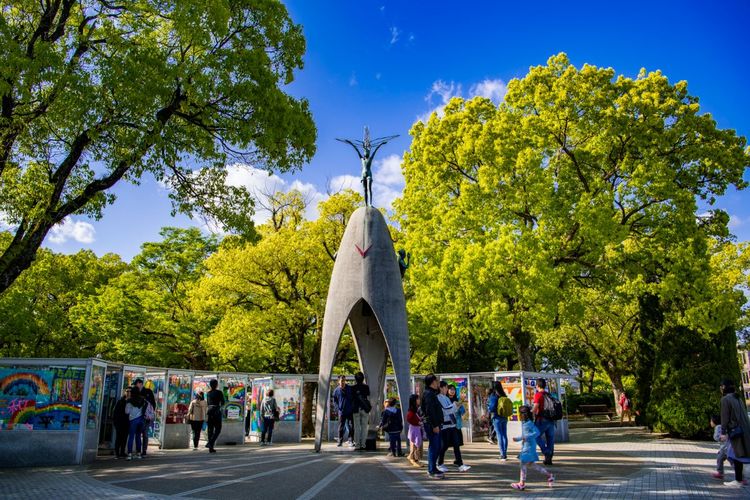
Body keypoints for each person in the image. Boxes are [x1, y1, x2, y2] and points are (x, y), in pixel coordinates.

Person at [510, 405, 555, 491]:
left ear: (523, 414)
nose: (519, 415)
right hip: (527, 446)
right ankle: (549, 475)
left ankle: (521, 484)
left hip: (529, 447)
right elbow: (524, 435)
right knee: (531, 464)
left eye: (520, 413)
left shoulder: (529, 423)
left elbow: (537, 432)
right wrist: (518, 439)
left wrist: (524, 437)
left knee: (523, 464)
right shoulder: (525, 423)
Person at [719, 378, 750, 487]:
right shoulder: (738, 398)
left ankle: (739, 480)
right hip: (744, 430)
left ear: (724, 387)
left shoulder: (725, 399)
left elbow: (725, 417)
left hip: (735, 432)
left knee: (735, 454)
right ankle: (741, 479)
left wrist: (722, 432)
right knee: (737, 454)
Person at [437, 380, 471, 473]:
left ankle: (460, 464)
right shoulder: (438, 398)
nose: (447, 390)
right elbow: (447, 410)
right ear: (441, 388)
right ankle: (439, 463)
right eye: (446, 388)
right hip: (444, 425)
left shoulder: (446, 398)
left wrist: (460, 402)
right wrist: (459, 402)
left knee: (456, 444)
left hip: (452, 424)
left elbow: (453, 409)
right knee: (444, 445)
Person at [421, 374, 444, 479]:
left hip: (434, 424)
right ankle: (431, 469)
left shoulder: (431, 393)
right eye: (436, 381)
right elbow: (430, 411)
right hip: (432, 424)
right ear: (432, 382)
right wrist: (435, 425)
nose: (438, 383)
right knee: (434, 446)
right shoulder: (428, 394)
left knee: (437, 446)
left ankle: (433, 467)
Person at [532, 378, 555, 465]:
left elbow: (535, 408)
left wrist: (530, 411)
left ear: (537, 386)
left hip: (541, 420)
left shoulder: (538, 395)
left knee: (535, 435)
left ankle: (546, 451)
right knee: (550, 439)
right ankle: (548, 459)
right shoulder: (549, 395)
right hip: (551, 420)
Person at [133, 378, 156, 457]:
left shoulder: (148, 391)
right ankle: (138, 450)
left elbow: (153, 403)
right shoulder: (135, 392)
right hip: (138, 416)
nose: (136, 386)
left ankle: (144, 450)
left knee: (145, 434)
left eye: (136, 384)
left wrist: (151, 413)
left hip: (146, 417)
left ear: (140, 383)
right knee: (138, 434)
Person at [489, 381, 511, 460]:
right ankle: (505, 453)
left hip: (496, 417)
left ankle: (502, 454)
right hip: (504, 417)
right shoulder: (504, 395)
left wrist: (488, 408)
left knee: (499, 435)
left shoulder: (494, 396)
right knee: (504, 435)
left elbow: (491, 408)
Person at [333, 375, 354, 447]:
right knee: (341, 426)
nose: (343, 382)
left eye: (344, 380)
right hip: (341, 411)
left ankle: (351, 440)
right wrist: (337, 408)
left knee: (351, 426)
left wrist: (352, 407)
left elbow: (353, 398)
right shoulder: (336, 390)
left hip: (349, 411)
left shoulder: (350, 388)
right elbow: (335, 401)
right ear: (338, 381)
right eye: (342, 380)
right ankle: (340, 441)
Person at [125, 386, 145, 460]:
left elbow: (127, 412)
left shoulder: (129, 401)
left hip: (133, 420)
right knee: (138, 436)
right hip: (141, 420)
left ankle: (129, 454)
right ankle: (139, 453)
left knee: (131, 437)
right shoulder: (142, 400)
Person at [351, 372, 371, 450]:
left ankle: (357, 445)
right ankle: (363, 444)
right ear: (363, 378)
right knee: (364, 427)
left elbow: (351, 399)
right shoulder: (366, 387)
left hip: (356, 409)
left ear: (355, 379)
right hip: (365, 409)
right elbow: (368, 397)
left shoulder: (353, 388)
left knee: (356, 427)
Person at [205, 379, 225, 453]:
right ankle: (210, 443)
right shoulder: (219, 392)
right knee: (218, 429)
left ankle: (211, 447)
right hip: (216, 411)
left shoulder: (208, 393)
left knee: (210, 430)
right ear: (216, 385)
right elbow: (223, 402)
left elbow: (208, 402)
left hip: (209, 411)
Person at [113, 387, 130, 459]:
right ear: (125, 392)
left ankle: (122, 452)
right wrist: (115, 422)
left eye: (130, 391)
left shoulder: (131, 402)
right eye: (127, 391)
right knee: (119, 438)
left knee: (124, 438)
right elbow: (115, 412)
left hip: (127, 423)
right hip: (119, 423)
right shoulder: (120, 401)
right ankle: (117, 453)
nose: (129, 392)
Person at [406, 394, 423, 467]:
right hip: (414, 429)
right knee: (414, 445)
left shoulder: (416, 409)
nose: (419, 400)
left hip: (416, 429)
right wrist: (418, 422)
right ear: (414, 401)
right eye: (417, 399)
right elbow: (409, 418)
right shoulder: (412, 411)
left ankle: (415, 459)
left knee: (417, 444)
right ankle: (413, 459)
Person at [711, 414, 729, 480]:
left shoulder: (718, 427)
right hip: (726, 447)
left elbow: (717, 437)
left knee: (720, 458)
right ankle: (741, 475)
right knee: (731, 460)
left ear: (714, 421)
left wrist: (718, 437)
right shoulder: (722, 426)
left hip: (725, 448)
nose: (710, 422)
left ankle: (720, 473)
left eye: (711, 421)